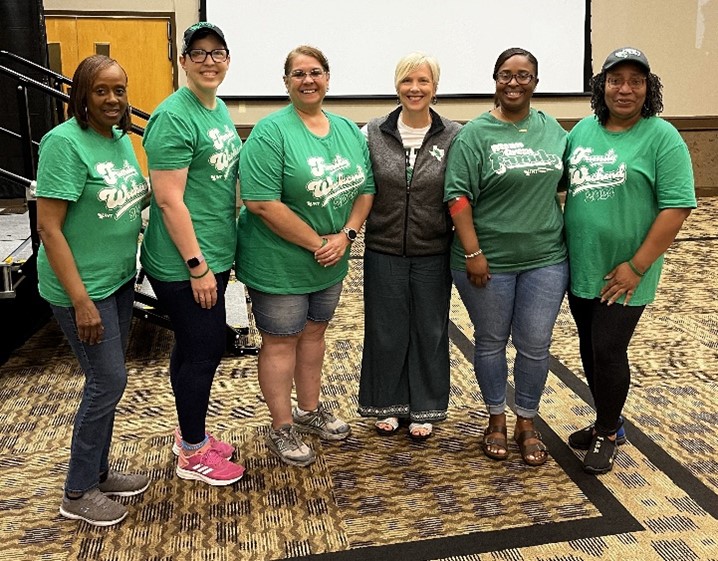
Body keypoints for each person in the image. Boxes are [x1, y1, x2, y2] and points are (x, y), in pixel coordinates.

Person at [235, 45, 375, 467]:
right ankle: (282, 427)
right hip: (279, 261)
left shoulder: (348, 129)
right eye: (298, 74)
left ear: (328, 79)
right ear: (286, 83)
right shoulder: (270, 132)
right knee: (280, 343)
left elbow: (366, 188)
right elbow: (260, 202)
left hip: (331, 259)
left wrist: (347, 235)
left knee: (314, 335)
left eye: (315, 72)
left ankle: (309, 411)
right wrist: (320, 243)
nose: (308, 80)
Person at [563, 47, 696, 474]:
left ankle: (606, 433)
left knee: (608, 348)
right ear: (601, 86)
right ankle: (609, 419)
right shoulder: (582, 131)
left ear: (648, 88)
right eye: (615, 79)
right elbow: (554, 184)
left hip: (626, 271)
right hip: (581, 264)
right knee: (588, 347)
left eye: (635, 81)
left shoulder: (662, 137)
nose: (625, 88)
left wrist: (637, 266)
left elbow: (677, 207)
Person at [35, 54, 150, 526]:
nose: (112, 99)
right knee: (108, 381)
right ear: (80, 93)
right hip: (82, 289)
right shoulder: (64, 144)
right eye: (101, 90)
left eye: (119, 90)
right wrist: (81, 301)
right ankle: (77, 490)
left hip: (119, 281)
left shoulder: (119, 140)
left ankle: (98, 472)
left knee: (108, 379)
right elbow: (49, 228)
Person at [444, 47, 569, 466]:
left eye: (523, 75)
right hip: (487, 261)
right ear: (494, 80)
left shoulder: (553, 129)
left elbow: (570, 184)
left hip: (546, 258)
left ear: (536, 81)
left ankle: (527, 421)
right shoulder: (474, 134)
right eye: (505, 74)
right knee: (492, 341)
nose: (514, 82)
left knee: (535, 345)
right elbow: (456, 197)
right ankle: (495, 418)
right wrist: (474, 252)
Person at [140, 22, 245, 485]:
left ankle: (190, 437)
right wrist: (197, 266)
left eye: (217, 52)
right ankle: (195, 455)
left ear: (227, 59)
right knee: (204, 351)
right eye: (198, 53)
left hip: (213, 253)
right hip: (185, 262)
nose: (208, 60)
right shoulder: (175, 117)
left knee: (191, 347)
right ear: (182, 61)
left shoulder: (216, 108)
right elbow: (168, 199)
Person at [357, 53, 461, 440]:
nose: (414, 89)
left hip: (434, 250)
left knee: (430, 330)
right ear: (396, 85)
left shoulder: (454, 134)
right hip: (383, 249)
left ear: (435, 87)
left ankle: (425, 406)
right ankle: (387, 404)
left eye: (423, 81)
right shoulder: (371, 132)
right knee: (385, 329)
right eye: (407, 81)